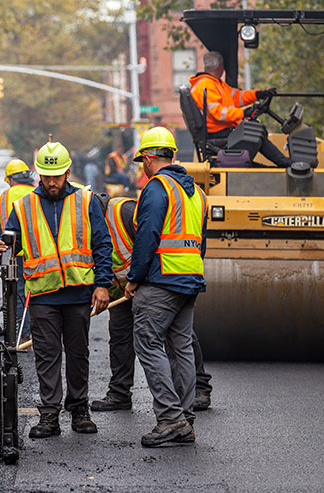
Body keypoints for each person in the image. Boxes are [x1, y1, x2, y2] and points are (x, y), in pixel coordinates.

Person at [0, 142, 113, 439]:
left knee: (78, 354)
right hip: (43, 295)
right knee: (47, 356)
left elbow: (102, 244)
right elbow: (13, 246)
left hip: (78, 293)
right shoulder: (22, 207)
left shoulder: (86, 201)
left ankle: (79, 411)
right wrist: (3, 250)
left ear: (68, 172)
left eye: (57, 176)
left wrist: (102, 284)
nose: (51, 183)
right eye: (46, 176)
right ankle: (49, 416)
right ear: (38, 174)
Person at [124, 127, 209, 448]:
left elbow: (146, 237)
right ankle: (184, 419)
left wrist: (134, 278)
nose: (141, 167)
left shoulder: (157, 188)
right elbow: (201, 241)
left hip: (161, 281)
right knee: (181, 347)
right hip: (189, 280)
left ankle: (171, 419)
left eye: (141, 161)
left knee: (147, 344)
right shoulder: (196, 193)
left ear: (148, 157)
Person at [190, 51, 292, 168]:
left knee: (256, 131)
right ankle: (284, 163)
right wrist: (244, 113)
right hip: (218, 133)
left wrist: (258, 94)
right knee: (256, 133)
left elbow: (237, 96)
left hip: (222, 130)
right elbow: (218, 113)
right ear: (220, 66)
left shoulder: (216, 84)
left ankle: (277, 166)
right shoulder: (206, 85)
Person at [89, 194, 137, 412]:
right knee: (119, 339)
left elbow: (153, 244)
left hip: (147, 286)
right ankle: (119, 393)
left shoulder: (124, 211)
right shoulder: (86, 223)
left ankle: (199, 388)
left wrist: (141, 280)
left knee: (170, 335)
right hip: (120, 293)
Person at [0, 159, 36, 341]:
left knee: (16, 293)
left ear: (9, 179)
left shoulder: (3, 198)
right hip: (37, 253)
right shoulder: (36, 193)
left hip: (13, 254)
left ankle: (21, 333)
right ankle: (36, 332)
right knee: (36, 292)